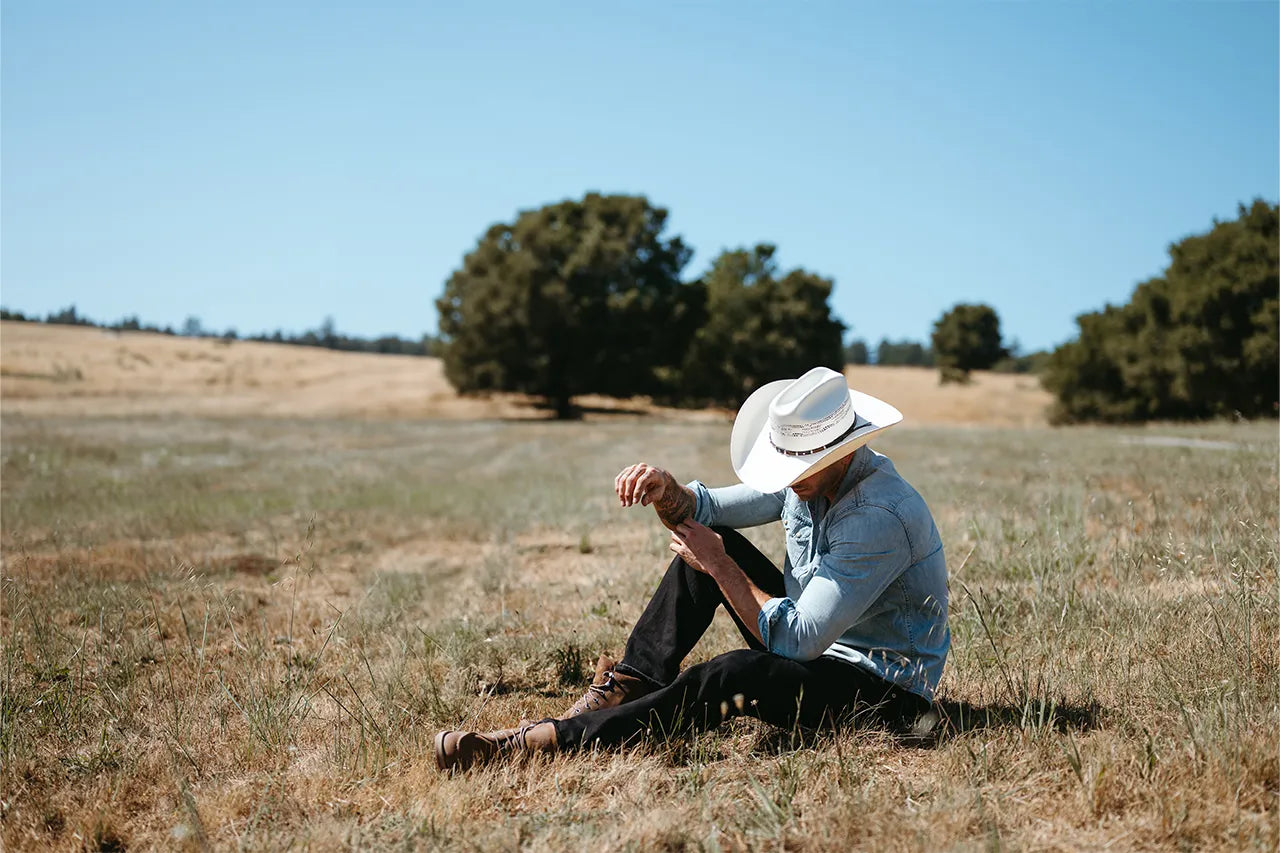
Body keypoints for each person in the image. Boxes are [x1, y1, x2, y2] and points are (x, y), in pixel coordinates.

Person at [435, 366, 949, 771]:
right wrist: (668, 491)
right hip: (816, 645)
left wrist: (722, 566)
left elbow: (799, 642)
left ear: (843, 447)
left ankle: (544, 742)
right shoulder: (810, 473)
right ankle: (629, 685)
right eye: (785, 458)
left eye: (800, 464)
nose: (790, 475)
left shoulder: (878, 515)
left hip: (882, 692)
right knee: (710, 549)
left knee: (733, 671)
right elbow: (712, 509)